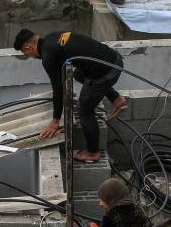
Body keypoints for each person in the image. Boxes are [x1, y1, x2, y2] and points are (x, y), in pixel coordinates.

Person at [13, 29, 127, 164]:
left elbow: (58, 88)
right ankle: (116, 98)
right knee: (78, 74)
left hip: (108, 71)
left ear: (28, 47)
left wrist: (55, 121)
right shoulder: (52, 37)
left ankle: (92, 153)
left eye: (27, 54)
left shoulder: (47, 55)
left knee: (84, 109)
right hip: (113, 58)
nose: (30, 56)